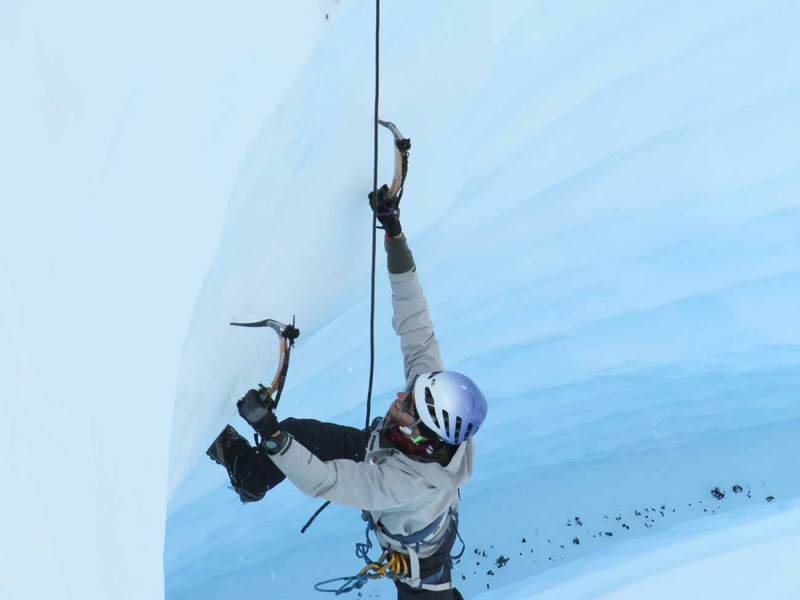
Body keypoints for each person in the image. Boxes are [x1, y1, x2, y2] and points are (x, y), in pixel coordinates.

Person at [207, 187, 488, 599]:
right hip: (386, 455)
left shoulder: (401, 485)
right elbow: (416, 325)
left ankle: (253, 465)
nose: (400, 398)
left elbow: (326, 482)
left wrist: (271, 434)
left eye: (407, 408)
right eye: (411, 396)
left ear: (422, 435)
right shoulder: (430, 402)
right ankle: (250, 476)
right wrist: (395, 234)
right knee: (297, 434)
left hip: (418, 563)